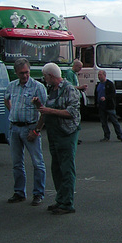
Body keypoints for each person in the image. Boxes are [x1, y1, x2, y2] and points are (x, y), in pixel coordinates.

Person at [37, 63, 80, 215]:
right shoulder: (51, 89)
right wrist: (38, 127)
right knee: (56, 167)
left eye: (45, 76)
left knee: (66, 168)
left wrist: (50, 110)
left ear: (51, 76)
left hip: (66, 133)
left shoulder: (69, 89)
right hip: (54, 134)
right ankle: (60, 199)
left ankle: (67, 203)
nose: (44, 79)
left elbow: (72, 113)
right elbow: (46, 112)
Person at [4, 58, 47, 205]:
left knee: (37, 162)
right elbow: (6, 99)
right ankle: (19, 192)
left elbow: (44, 111)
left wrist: (36, 130)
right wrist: (13, 112)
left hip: (30, 127)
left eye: (27, 72)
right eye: (22, 73)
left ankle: (38, 193)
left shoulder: (37, 87)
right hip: (14, 127)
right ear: (16, 72)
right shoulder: (12, 86)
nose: (25, 76)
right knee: (17, 162)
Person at [96, 70, 122, 142]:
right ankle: (106, 136)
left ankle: (120, 135)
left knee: (114, 121)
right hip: (101, 106)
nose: (99, 77)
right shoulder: (98, 85)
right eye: (98, 75)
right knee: (103, 122)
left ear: (104, 75)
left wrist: (106, 97)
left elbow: (113, 94)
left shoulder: (109, 84)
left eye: (100, 75)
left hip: (109, 106)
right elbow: (96, 94)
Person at [65, 59, 87, 144]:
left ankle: (75, 137)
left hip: (77, 96)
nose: (81, 69)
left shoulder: (73, 73)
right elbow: (70, 86)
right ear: (76, 66)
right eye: (80, 67)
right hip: (73, 98)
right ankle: (73, 137)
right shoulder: (70, 73)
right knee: (74, 119)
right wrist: (80, 87)